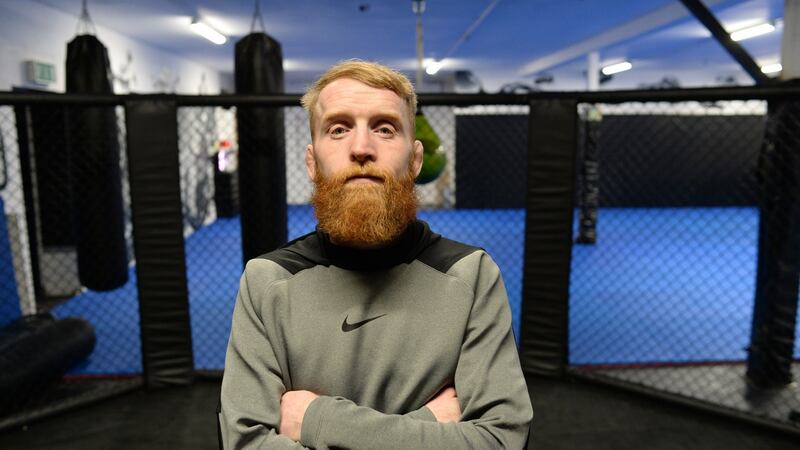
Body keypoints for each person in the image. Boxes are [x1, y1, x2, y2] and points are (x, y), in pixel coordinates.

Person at [218, 60, 533, 449]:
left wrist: (319, 421)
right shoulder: (267, 281)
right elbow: (244, 444)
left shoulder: (470, 276)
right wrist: (429, 424)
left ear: (415, 160)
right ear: (312, 163)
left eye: (385, 128)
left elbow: (501, 441)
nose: (362, 148)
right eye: (338, 129)